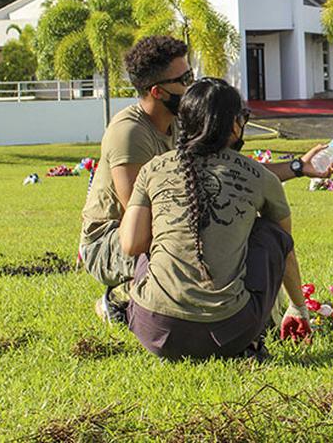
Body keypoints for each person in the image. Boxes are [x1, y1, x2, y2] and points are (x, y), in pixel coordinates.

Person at [79, 36, 333, 323]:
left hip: (157, 227)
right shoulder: (129, 133)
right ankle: (122, 298)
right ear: (158, 91)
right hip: (112, 240)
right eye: (184, 79)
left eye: (192, 75)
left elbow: (234, 172)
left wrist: (298, 166)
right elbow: (140, 218)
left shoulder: (181, 119)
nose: (192, 85)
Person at [119, 78, 312, 359]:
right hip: (230, 332)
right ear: (235, 124)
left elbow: (132, 244)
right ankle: (255, 338)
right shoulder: (260, 177)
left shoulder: (154, 168)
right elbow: (286, 250)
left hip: (154, 329)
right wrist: (298, 307)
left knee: (151, 236)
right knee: (270, 233)